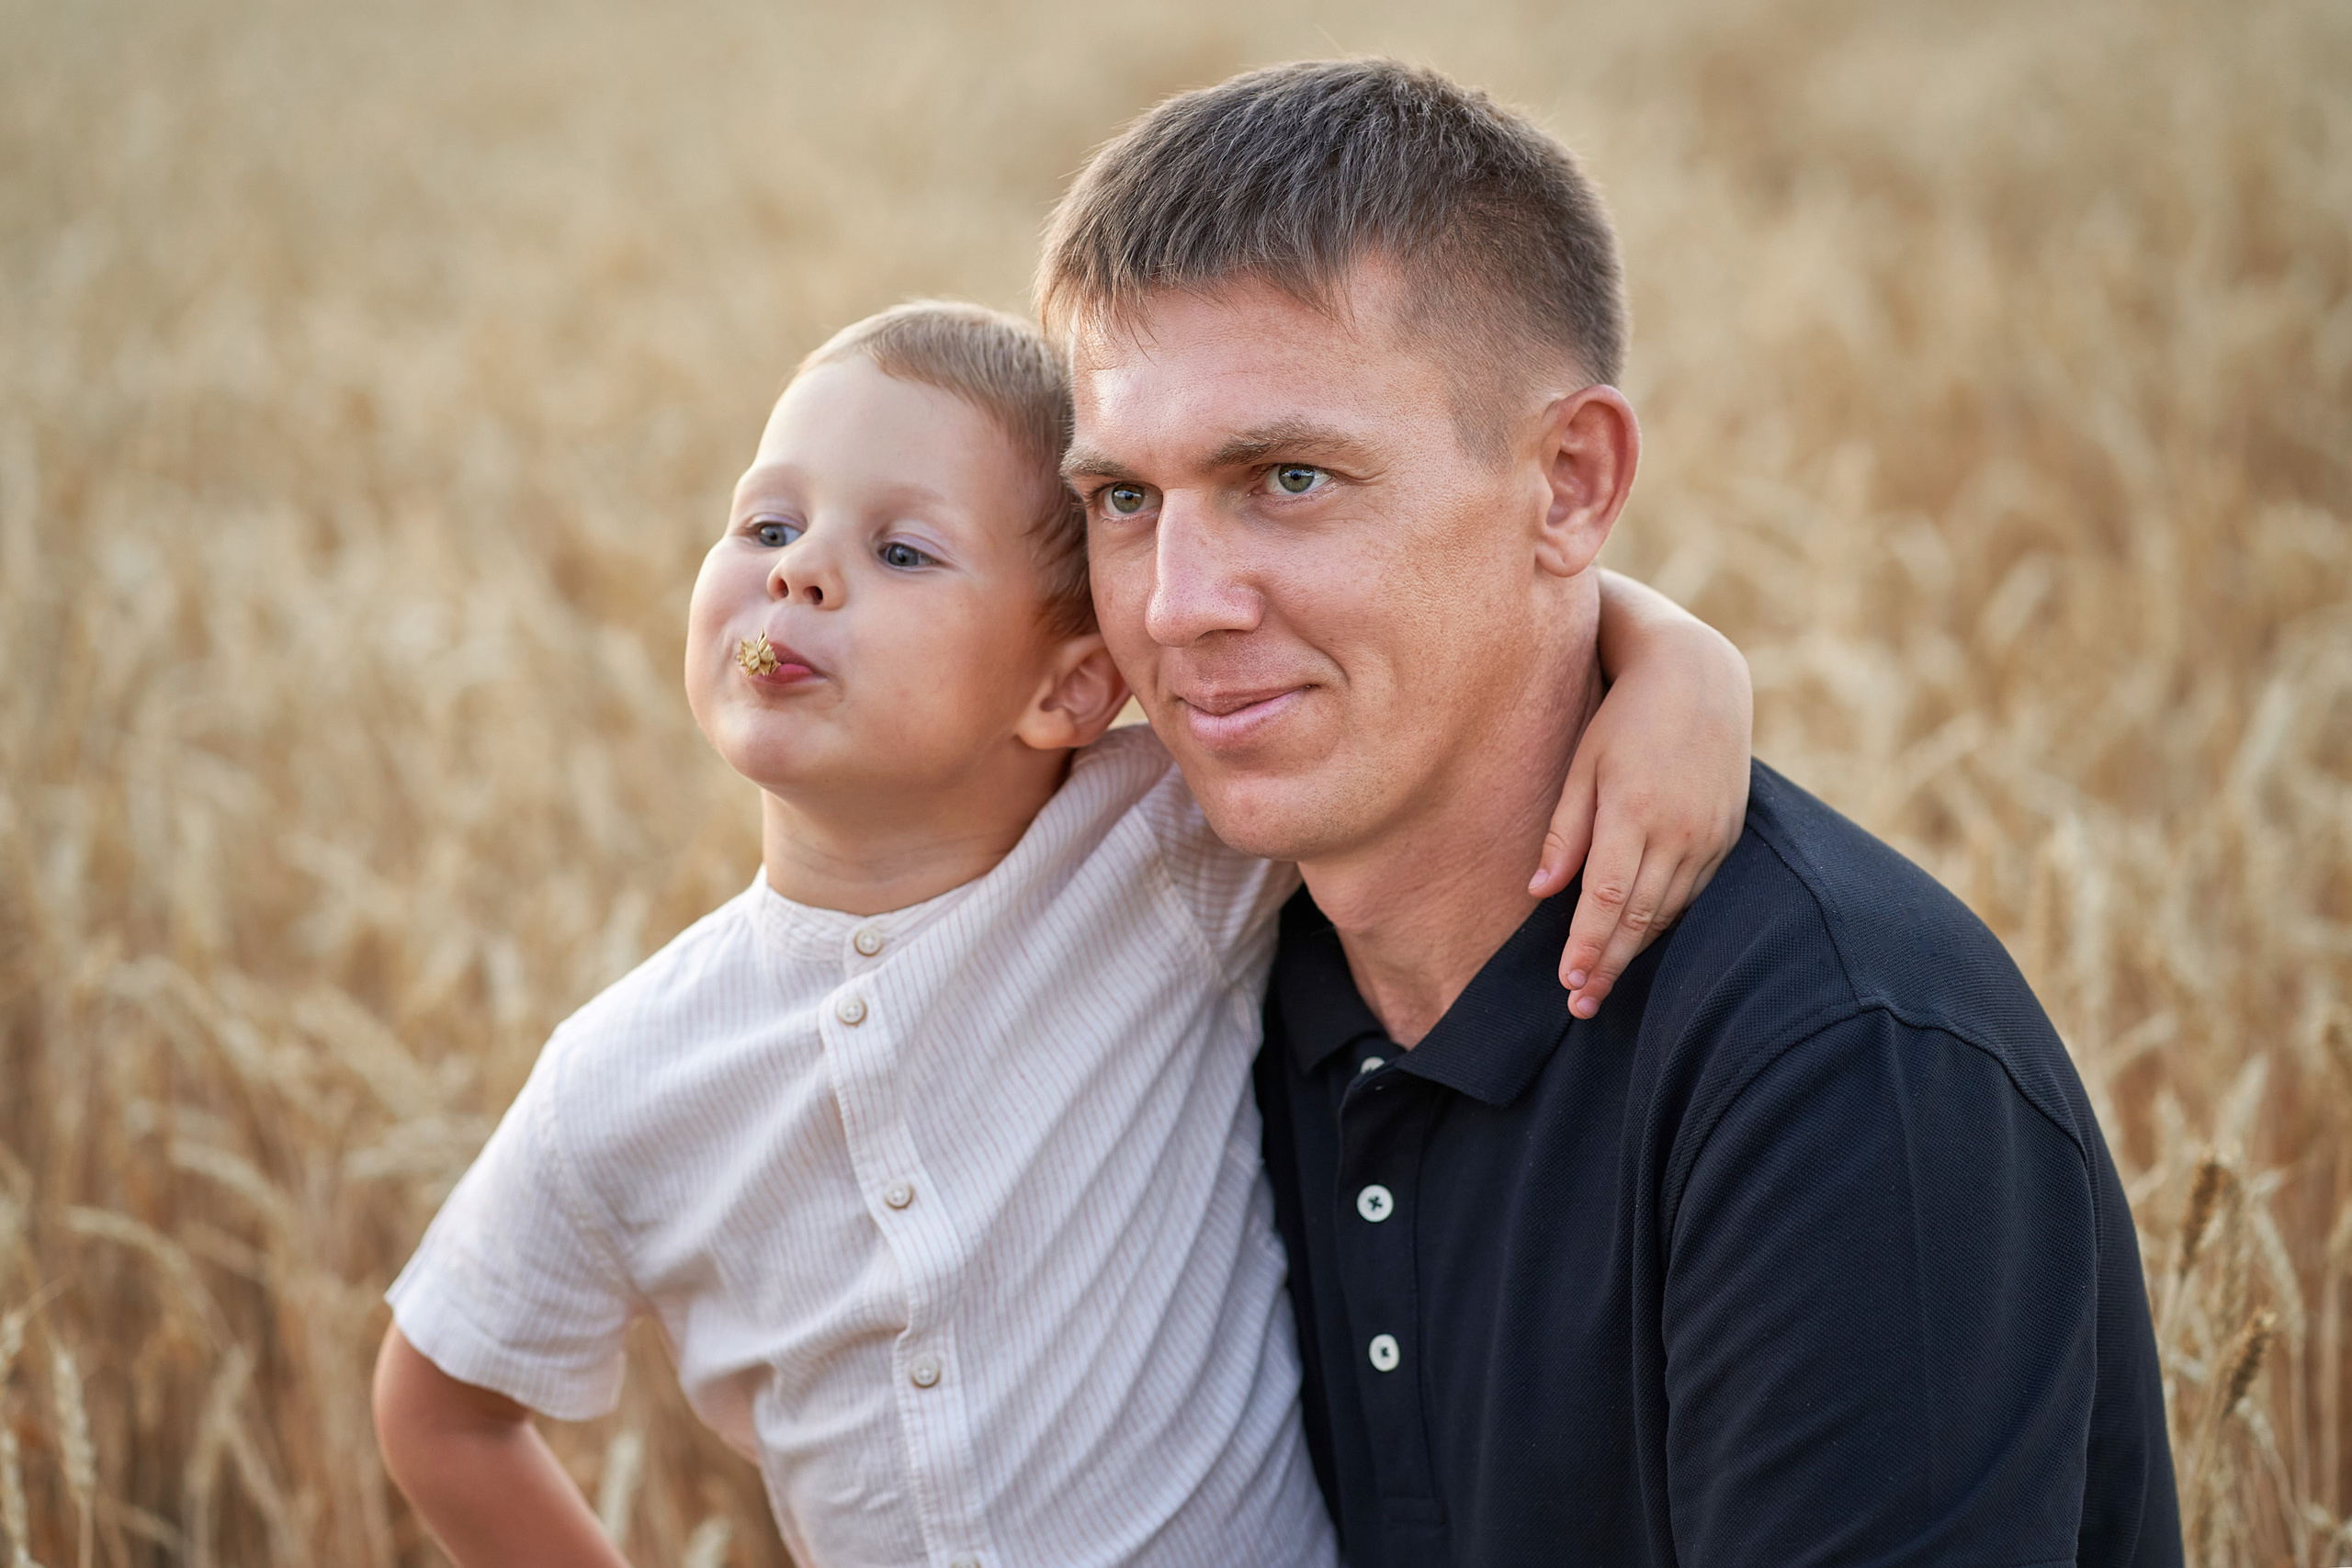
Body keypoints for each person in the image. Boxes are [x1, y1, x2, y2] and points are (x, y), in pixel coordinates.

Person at [369, 299, 1756, 1567]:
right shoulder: (623, 1073)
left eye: (899, 550)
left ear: (1072, 687)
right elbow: (439, 1409)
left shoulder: (1158, 847)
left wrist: (1678, 662)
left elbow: (1417, 682)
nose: (798, 579)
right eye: (766, 526)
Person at [1045, 59, 2182, 1568]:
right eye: (1124, 499)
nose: (1176, 608)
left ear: (1571, 484)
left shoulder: (1847, 1076)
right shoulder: (1175, 970)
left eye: (1290, 477)